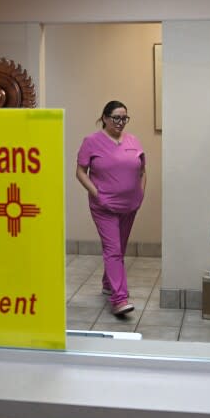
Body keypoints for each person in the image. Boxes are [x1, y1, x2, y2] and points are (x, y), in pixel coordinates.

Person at [76, 101, 146, 316]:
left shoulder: (133, 141)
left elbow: (142, 171)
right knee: (113, 250)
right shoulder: (91, 142)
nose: (120, 122)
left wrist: (140, 194)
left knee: (118, 249)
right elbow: (80, 172)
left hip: (130, 205)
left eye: (124, 118)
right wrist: (98, 195)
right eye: (116, 117)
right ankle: (119, 299)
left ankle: (108, 283)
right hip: (103, 206)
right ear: (105, 118)